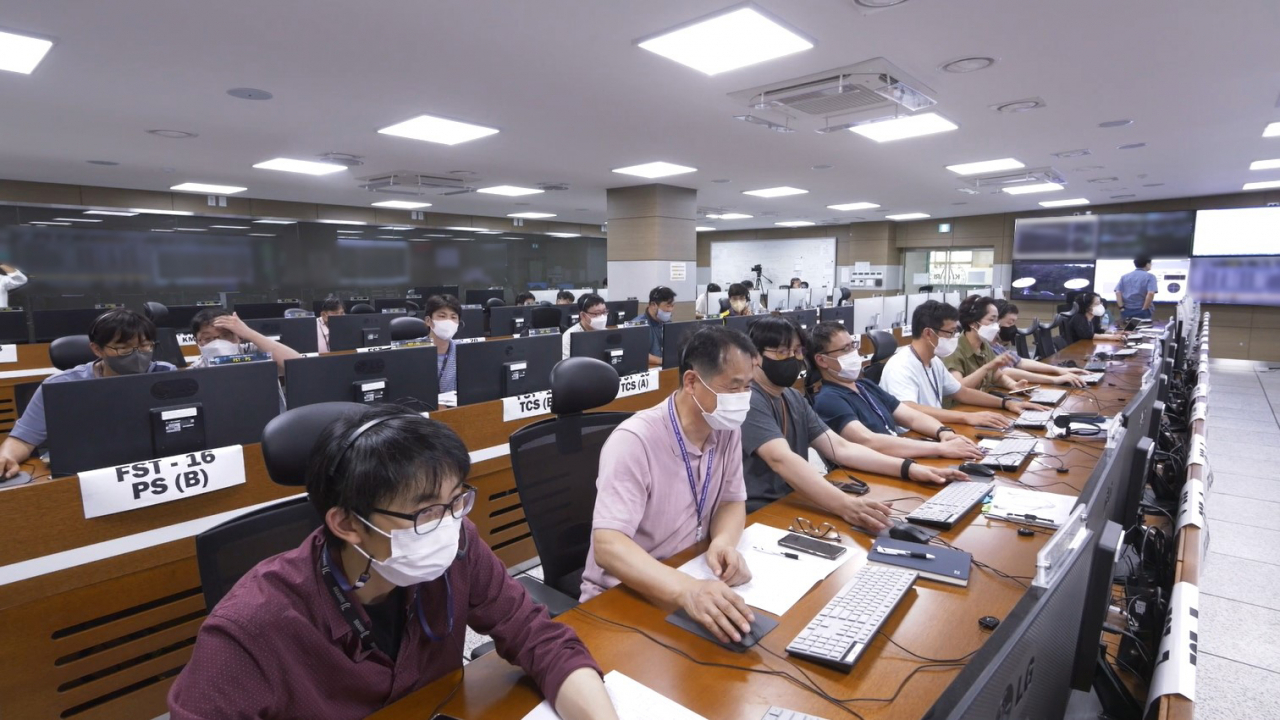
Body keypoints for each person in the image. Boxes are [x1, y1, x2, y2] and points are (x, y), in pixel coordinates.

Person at [168, 406, 617, 720]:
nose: (448, 524)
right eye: (425, 512)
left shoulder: (460, 546)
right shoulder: (250, 629)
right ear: (346, 523)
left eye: (457, 499)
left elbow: (536, 636)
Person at [584, 327, 757, 644]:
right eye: (734, 387)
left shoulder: (726, 428)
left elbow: (731, 501)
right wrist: (686, 589)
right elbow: (608, 546)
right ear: (691, 382)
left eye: (748, 387)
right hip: (626, 594)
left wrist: (722, 543)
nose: (743, 398)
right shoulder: (634, 441)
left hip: (689, 574)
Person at [741, 316, 966, 521]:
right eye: (782, 352)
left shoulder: (792, 397)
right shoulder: (750, 400)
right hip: (759, 512)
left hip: (793, 499)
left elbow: (841, 448)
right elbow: (780, 459)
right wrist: (846, 505)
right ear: (755, 357)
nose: (792, 358)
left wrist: (910, 468)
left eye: (797, 351)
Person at [0, 309, 175, 478]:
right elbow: (22, 439)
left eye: (145, 346)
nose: (137, 355)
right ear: (97, 349)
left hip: (151, 469)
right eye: (124, 348)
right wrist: (7, 457)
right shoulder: (61, 386)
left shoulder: (165, 374)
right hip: (84, 476)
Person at [807, 322, 984, 461]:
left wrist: (945, 433)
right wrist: (939, 448)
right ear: (822, 360)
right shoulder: (829, 399)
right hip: (876, 470)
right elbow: (869, 441)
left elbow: (912, 416)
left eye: (853, 345)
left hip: (900, 456)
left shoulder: (865, 386)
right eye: (845, 349)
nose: (854, 352)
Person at [879, 301, 1048, 430]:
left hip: (936, 429)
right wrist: (966, 417)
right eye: (951, 332)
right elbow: (909, 409)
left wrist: (1007, 404)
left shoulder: (934, 360)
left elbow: (962, 392)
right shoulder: (901, 366)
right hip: (912, 437)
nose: (955, 337)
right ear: (928, 333)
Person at [993, 301, 1089, 387]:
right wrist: (1054, 380)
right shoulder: (985, 346)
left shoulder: (997, 346)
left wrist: (1058, 370)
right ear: (995, 322)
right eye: (1010, 323)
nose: (1012, 327)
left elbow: (1020, 361)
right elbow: (1004, 371)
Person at [943, 295, 1025, 394]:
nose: (996, 326)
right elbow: (958, 388)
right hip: (960, 407)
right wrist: (987, 367)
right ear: (972, 323)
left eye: (996, 321)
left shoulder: (984, 345)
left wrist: (1013, 385)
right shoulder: (954, 349)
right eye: (991, 320)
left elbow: (998, 376)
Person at [190, 308, 301, 374]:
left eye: (225, 336)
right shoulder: (195, 369)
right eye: (208, 339)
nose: (217, 344)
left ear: (239, 337)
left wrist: (249, 333)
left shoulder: (256, 352)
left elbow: (298, 365)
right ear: (197, 342)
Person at [424, 294, 461, 394]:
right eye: (442, 316)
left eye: (453, 317)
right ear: (428, 321)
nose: (449, 321)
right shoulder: (412, 350)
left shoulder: (463, 351)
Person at [562, 292, 608, 359]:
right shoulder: (569, 336)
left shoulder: (605, 332)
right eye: (597, 313)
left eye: (604, 312)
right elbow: (565, 364)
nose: (602, 317)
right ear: (583, 315)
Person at [1115, 255, 1159, 321]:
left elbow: (1118, 292)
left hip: (1126, 310)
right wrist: (1144, 309)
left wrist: (1121, 308)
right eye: (1150, 263)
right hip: (1142, 310)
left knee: (1127, 330)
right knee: (1142, 330)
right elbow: (1150, 293)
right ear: (1147, 264)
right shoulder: (1150, 277)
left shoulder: (1124, 276)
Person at [645, 285, 676, 365]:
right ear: (653, 305)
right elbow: (638, 353)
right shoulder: (640, 326)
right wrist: (664, 361)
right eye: (668, 306)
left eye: (672, 306)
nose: (670, 310)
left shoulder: (668, 323)